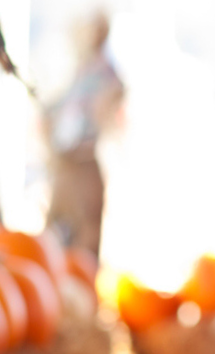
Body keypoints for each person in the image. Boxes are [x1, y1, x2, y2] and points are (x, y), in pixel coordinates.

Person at [46, 13, 123, 256]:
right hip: (65, 162)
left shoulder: (106, 72)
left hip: (84, 160)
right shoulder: (80, 71)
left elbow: (113, 100)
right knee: (58, 234)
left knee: (85, 240)